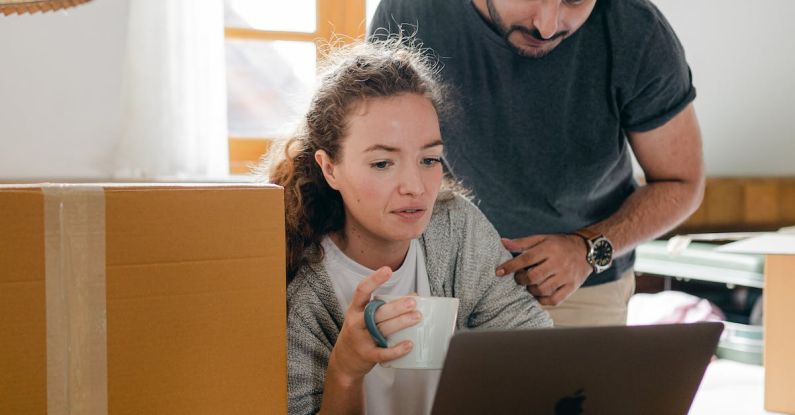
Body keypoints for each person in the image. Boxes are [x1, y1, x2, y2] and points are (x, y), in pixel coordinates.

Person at [260, 38, 552, 415]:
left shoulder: (457, 229)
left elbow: (535, 348)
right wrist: (346, 369)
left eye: (429, 159)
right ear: (329, 168)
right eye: (383, 163)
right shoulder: (299, 282)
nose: (415, 186)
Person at [369, 0, 705, 326]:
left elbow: (681, 184)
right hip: (437, 276)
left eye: (574, 1)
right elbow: (378, 156)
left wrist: (588, 248)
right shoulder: (409, 10)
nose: (547, 26)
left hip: (579, 286)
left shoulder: (637, 29)